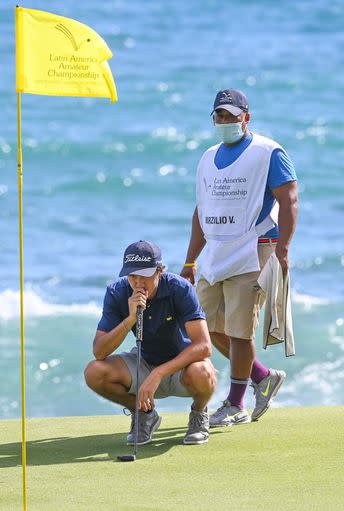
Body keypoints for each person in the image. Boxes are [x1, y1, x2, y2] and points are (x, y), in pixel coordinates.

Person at [181, 88, 299, 427]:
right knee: (202, 326)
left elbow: (289, 199)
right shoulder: (207, 157)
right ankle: (261, 377)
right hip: (216, 253)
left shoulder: (268, 152)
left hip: (254, 247)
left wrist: (284, 248)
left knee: (239, 330)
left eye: (231, 116)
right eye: (219, 115)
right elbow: (201, 211)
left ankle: (236, 403)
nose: (224, 121)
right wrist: (190, 261)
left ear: (246, 117)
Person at [84, 240, 217, 445]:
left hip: (184, 367)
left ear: (160, 271)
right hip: (144, 362)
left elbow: (204, 346)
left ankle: (199, 413)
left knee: (204, 373)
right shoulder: (116, 292)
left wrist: (159, 373)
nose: (137, 283)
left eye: (144, 276)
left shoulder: (180, 288)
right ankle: (144, 414)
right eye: (132, 276)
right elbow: (99, 352)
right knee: (94, 371)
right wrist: (129, 319)